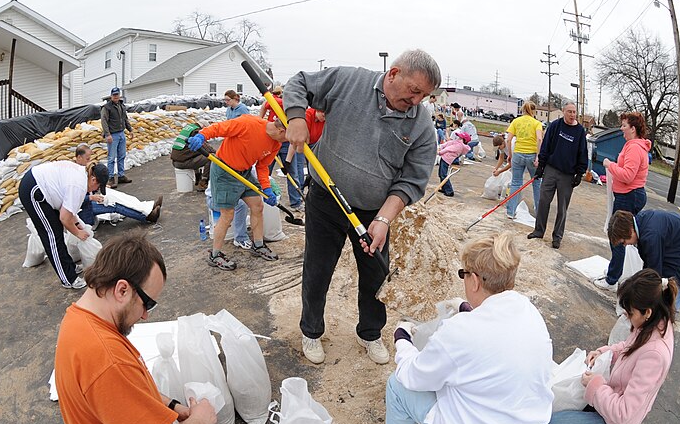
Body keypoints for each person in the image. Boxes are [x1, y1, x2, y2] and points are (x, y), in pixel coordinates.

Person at [283, 49, 440, 365]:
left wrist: (384, 218)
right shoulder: (348, 81)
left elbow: (412, 180)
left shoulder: (421, 124)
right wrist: (297, 117)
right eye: (414, 91)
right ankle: (311, 331)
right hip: (326, 200)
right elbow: (298, 83)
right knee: (318, 270)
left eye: (424, 96)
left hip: (373, 213)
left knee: (375, 277)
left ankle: (369, 333)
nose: (416, 102)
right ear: (394, 74)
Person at [361, 233, 553, 424]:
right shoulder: (528, 310)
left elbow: (413, 377)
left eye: (463, 274)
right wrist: (468, 309)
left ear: (474, 281)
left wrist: (402, 340)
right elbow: (494, 337)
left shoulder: (460, 332)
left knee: (397, 385)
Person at [55, 233, 217, 424]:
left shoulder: (79, 319)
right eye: (147, 303)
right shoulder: (106, 359)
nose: (145, 315)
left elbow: (127, 393)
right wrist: (199, 421)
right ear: (122, 290)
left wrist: (174, 407)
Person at [544, 269, 676, 424]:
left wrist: (595, 385)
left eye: (630, 313)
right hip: (611, 393)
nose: (625, 316)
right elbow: (628, 347)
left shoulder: (655, 354)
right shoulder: (653, 323)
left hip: (615, 421)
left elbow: (623, 413)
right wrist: (603, 353)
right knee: (560, 407)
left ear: (647, 312)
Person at [186, 114, 284, 270]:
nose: (290, 140)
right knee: (227, 214)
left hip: (244, 172)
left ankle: (258, 245)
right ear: (281, 130)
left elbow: (262, 167)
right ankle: (215, 255)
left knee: (258, 206)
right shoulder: (248, 123)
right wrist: (202, 135)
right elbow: (219, 128)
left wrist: (267, 189)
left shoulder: (276, 144)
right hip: (225, 171)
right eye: (289, 136)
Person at [18, 160, 108, 289]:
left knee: (57, 231)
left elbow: (66, 207)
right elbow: (65, 218)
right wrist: (78, 233)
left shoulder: (82, 176)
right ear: (93, 180)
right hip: (34, 190)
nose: (96, 191)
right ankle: (68, 279)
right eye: (98, 187)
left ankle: (68, 267)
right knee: (52, 236)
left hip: (43, 188)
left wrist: (77, 224)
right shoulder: (79, 185)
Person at [606, 209, 680, 309]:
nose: (625, 245)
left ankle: (665, 322)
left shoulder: (650, 236)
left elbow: (654, 273)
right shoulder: (641, 221)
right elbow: (650, 265)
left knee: (672, 292)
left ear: (629, 230)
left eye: (623, 242)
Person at [594, 112, 651, 290]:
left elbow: (627, 175)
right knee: (619, 236)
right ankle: (616, 273)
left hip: (628, 196)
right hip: (627, 195)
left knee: (618, 236)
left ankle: (612, 279)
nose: (621, 129)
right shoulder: (632, 146)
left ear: (633, 129)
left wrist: (610, 165)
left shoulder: (634, 148)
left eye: (624, 126)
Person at [527, 102, 588, 249]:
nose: (572, 115)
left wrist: (579, 173)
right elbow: (546, 145)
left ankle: (557, 237)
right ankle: (539, 230)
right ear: (563, 112)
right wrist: (541, 166)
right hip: (551, 169)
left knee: (562, 207)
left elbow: (583, 153)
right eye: (570, 112)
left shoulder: (580, 131)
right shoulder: (555, 125)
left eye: (574, 112)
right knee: (543, 201)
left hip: (568, 175)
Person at [74, 144, 162, 226]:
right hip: (82, 210)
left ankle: (147, 207)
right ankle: (147, 217)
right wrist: (91, 197)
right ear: (79, 157)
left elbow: (89, 188)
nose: (89, 161)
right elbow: (74, 199)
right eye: (87, 159)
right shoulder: (73, 176)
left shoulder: (83, 171)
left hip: (88, 203)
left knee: (119, 197)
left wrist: (99, 186)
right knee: (114, 205)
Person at [505, 101, 543, 219]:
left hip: (518, 153)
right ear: (534, 111)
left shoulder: (516, 121)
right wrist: (538, 155)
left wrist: (510, 155)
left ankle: (510, 211)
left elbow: (508, 139)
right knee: (536, 183)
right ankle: (539, 213)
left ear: (522, 110)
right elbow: (540, 139)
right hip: (531, 154)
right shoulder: (537, 123)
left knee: (516, 182)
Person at [101, 87, 133, 189]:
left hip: (121, 133)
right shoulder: (107, 107)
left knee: (122, 155)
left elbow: (125, 119)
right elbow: (104, 121)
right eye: (114, 95)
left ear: (119, 95)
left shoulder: (122, 106)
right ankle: (110, 178)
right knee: (111, 158)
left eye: (117, 95)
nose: (116, 97)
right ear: (111, 96)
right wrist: (107, 134)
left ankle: (121, 176)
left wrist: (130, 130)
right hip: (113, 135)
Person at [437, 132, 471, 197]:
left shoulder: (460, 146)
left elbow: (448, 149)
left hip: (447, 159)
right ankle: (444, 188)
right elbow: (447, 144)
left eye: (460, 138)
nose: (458, 138)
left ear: (464, 140)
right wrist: (441, 147)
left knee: (443, 175)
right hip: (444, 158)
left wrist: (440, 152)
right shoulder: (457, 143)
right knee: (441, 174)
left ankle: (449, 191)